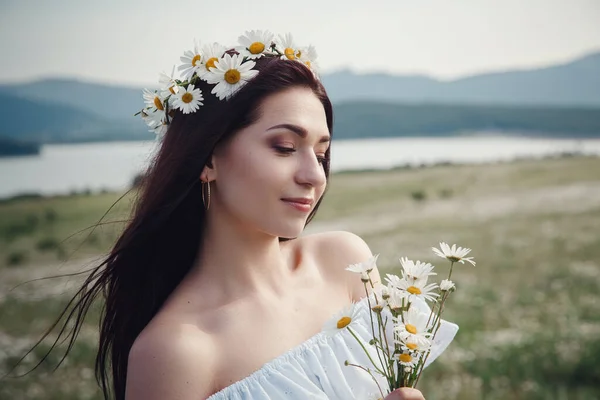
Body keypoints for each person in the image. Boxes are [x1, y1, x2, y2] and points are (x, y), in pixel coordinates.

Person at [26, 30, 455, 399]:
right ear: (207, 159)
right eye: (285, 147)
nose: (314, 176)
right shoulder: (176, 351)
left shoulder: (346, 263)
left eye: (321, 153)